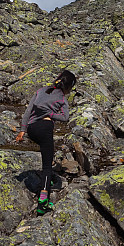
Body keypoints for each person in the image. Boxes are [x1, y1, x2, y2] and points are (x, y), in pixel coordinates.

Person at [16, 70, 76, 214]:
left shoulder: (41, 91)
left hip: (31, 130)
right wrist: (50, 114)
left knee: (45, 156)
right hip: (45, 128)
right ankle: (43, 202)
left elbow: (28, 111)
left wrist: (22, 130)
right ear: (68, 88)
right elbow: (65, 117)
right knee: (47, 166)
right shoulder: (62, 99)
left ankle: (44, 183)